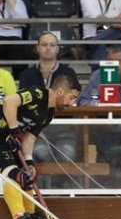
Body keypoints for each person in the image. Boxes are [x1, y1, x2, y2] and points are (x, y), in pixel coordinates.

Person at [0, 74, 81, 219]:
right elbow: (9, 102)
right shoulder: (37, 93)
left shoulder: (49, 114)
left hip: (9, 142)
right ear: (60, 91)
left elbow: (30, 138)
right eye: (71, 97)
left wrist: (29, 162)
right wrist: (14, 130)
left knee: (28, 176)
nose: (72, 102)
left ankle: (30, 218)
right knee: (15, 175)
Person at [19, 31, 79, 168]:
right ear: (37, 48)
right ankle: (43, 187)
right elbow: (25, 103)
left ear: (58, 49)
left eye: (52, 45)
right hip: (37, 131)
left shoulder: (69, 73)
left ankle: (59, 187)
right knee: (41, 153)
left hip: (64, 128)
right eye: (44, 44)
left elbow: (71, 101)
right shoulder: (26, 75)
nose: (48, 48)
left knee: (66, 153)